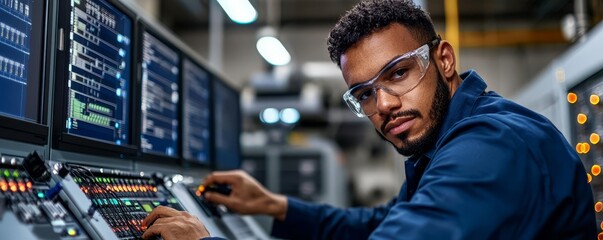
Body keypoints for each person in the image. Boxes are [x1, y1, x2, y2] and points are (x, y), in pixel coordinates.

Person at [141, 0, 597, 239]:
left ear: (444, 59)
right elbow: (380, 225)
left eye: (398, 73)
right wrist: (273, 206)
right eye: (364, 93)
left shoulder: (491, 145)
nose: (384, 105)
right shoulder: (439, 142)